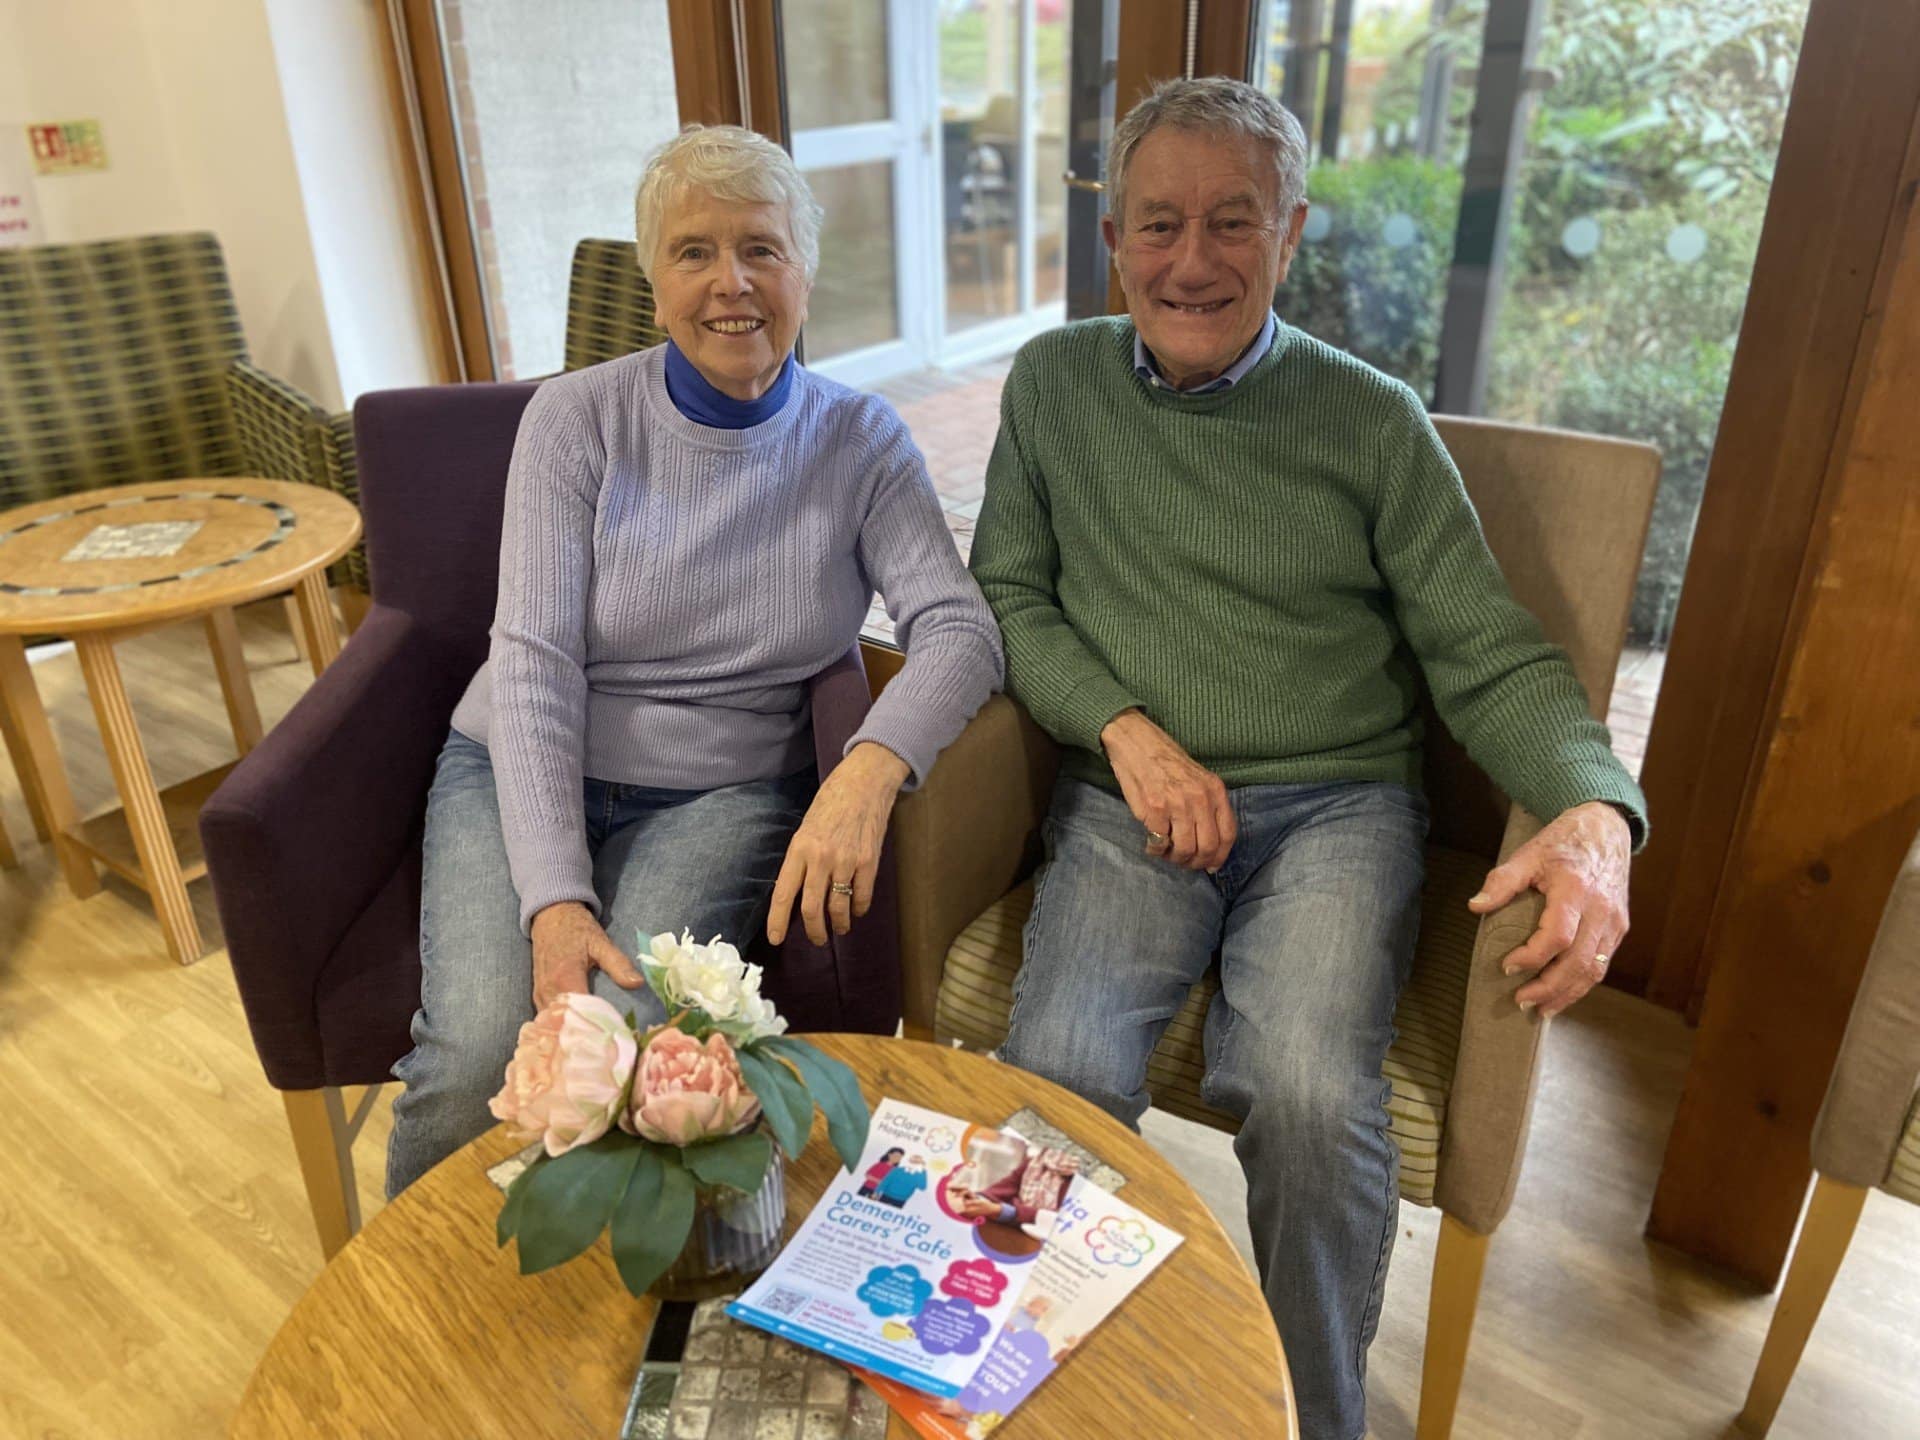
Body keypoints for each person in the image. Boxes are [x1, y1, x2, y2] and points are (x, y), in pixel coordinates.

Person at [968, 77, 1644, 1440]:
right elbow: (1011, 597)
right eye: (1158, 223)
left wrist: (1595, 809)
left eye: (1234, 222)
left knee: (1308, 1090)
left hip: (1336, 806)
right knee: (1054, 1069)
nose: (1192, 259)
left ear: (1292, 235)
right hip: (1128, 801)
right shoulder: (1052, 386)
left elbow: (1489, 653)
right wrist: (1124, 728)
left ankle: (1315, 1419)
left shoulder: (1371, 420)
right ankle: (1017, 1384)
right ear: (1114, 245)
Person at [386, 125, 1003, 1197]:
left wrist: (870, 766)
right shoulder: (575, 421)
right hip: (519, 762)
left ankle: (604, 1321)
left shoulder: (860, 440)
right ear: (653, 279)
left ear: (804, 271)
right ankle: (413, 1350)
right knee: (471, 1057)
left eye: (762, 249)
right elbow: (532, 665)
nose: (732, 285)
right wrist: (555, 901)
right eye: (694, 252)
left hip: (723, 787)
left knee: (629, 1043)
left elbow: (961, 628)